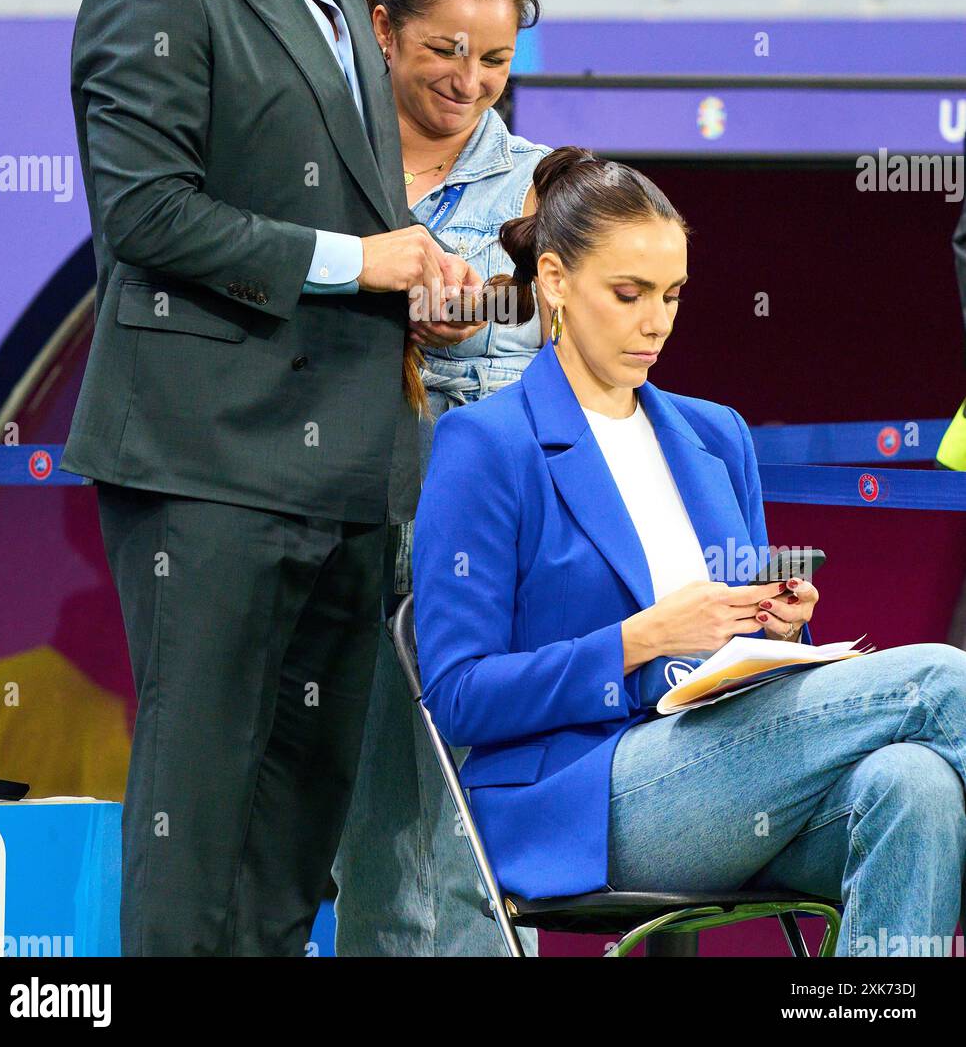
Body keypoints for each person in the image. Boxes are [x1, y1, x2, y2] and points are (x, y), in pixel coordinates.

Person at [60, 0, 482, 956]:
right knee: (200, 824)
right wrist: (362, 258)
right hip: (211, 474)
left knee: (298, 829)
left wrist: (414, 298)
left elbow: (339, 238)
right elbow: (146, 217)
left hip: (350, 481)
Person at [413, 147, 966, 957]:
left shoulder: (715, 434)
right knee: (943, 679)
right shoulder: (487, 443)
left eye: (671, 295)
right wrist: (645, 637)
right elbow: (459, 696)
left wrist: (780, 632)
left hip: (734, 776)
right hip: (589, 800)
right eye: (628, 294)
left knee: (915, 786)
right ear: (557, 282)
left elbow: (752, 667)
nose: (656, 321)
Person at [331, 0, 550, 956]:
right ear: (382, 31)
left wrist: (478, 309)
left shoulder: (546, 185)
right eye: (445, 51)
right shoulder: (320, 164)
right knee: (367, 847)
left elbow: (592, 318)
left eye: (497, 59)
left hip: (479, 556)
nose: (472, 81)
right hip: (329, 529)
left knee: (473, 847)